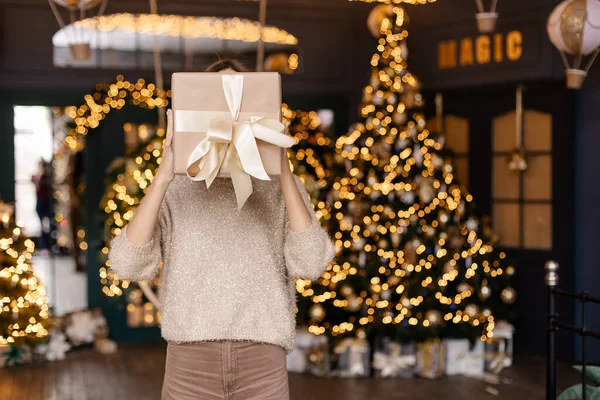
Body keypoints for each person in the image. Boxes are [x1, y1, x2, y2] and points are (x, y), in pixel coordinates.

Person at [108, 59, 336, 400]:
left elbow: (313, 262)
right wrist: (164, 175)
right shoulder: (177, 187)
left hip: (263, 363)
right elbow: (126, 264)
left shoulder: (278, 187)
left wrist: (283, 170)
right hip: (189, 365)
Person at [32, 159, 53, 254]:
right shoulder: (38, 177)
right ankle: (44, 247)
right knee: (43, 226)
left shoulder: (47, 177)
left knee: (48, 226)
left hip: (46, 203)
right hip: (41, 203)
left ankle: (48, 246)